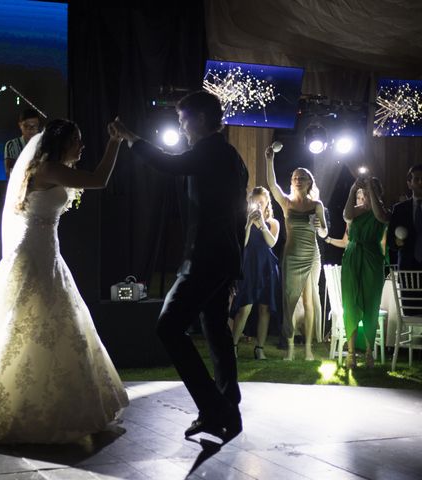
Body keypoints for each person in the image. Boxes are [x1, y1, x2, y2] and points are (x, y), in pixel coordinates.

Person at [0, 118, 128, 444]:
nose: (82, 146)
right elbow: (98, 180)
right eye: (78, 140)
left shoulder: (43, 168)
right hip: (36, 253)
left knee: (39, 322)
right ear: (61, 143)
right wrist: (114, 143)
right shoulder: (49, 170)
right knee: (33, 320)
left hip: (41, 250)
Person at [111, 91, 248, 443]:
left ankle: (213, 407)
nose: (182, 126)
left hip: (204, 258)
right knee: (216, 331)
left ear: (201, 119)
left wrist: (131, 139)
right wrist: (234, 267)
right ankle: (228, 409)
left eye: (184, 119)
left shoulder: (209, 152)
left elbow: (169, 164)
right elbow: (238, 215)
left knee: (169, 327)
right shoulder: (231, 156)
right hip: (222, 258)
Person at [265, 147, 327, 361]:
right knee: (290, 301)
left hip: (312, 255)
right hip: (291, 256)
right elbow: (272, 185)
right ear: (291, 182)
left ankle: (309, 349)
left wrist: (319, 226)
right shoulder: (287, 202)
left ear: (309, 182)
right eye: (295, 177)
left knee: (309, 301)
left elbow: (324, 232)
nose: (298, 180)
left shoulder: (316, 205)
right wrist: (269, 159)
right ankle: (290, 347)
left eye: (302, 177)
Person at [341, 176, 389, 369]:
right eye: (362, 193)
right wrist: (353, 190)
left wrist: (370, 188)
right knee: (350, 303)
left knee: (371, 304)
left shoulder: (384, 211)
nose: (365, 196)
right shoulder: (357, 211)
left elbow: (379, 217)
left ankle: (370, 352)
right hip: (353, 257)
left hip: (372, 258)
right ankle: (351, 354)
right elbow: (346, 215)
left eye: (368, 192)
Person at [230, 187, 280, 360]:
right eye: (255, 201)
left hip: (267, 267)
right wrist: (249, 225)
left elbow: (272, 243)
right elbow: (241, 245)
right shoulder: (244, 220)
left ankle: (260, 348)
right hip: (249, 267)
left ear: (266, 203)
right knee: (245, 307)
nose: (258, 204)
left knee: (264, 309)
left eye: (261, 201)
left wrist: (263, 226)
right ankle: (233, 346)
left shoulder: (273, 222)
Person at [387, 164, 422, 270]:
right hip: (407, 269)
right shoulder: (399, 209)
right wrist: (398, 241)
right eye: (417, 179)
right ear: (409, 184)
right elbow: (391, 242)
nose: (421, 182)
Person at [3, 108, 41, 178]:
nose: (30, 129)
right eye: (26, 126)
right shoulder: (11, 145)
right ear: (20, 125)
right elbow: (9, 172)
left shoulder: (43, 144)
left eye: (34, 126)